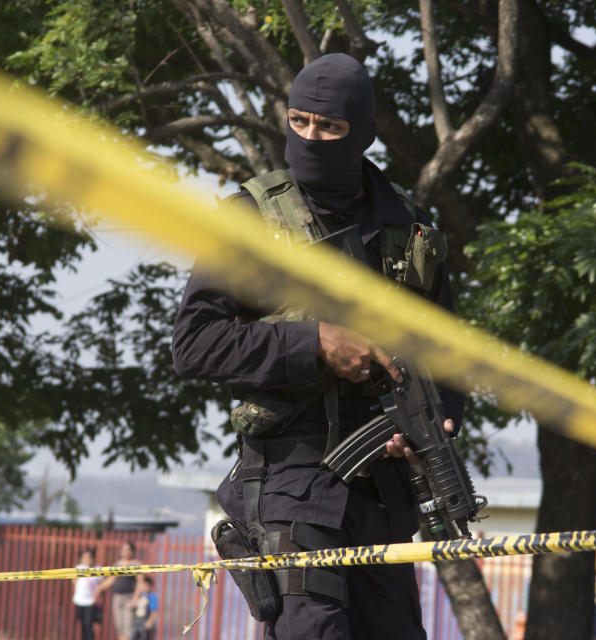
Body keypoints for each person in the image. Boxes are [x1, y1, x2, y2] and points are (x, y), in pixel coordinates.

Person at [172, 52, 464, 639]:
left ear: (363, 133)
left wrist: (440, 424)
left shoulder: (409, 229)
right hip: (290, 487)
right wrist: (315, 343)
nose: (311, 136)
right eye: (299, 121)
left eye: (329, 127)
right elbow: (194, 344)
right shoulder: (252, 216)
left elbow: (446, 354)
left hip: (384, 496)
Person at [96, 541, 139, 640]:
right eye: (123, 549)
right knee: (120, 628)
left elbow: (140, 583)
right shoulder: (117, 564)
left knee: (128, 627)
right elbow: (112, 579)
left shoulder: (135, 564)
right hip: (117, 598)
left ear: (132, 551)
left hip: (129, 597)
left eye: (127, 549)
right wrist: (99, 588)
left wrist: (135, 599)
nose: (125, 551)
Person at [72, 548, 103, 640]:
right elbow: (74, 580)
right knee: (82, 624)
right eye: (85, 557)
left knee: (88, 624)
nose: (87, 559)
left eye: (89, 557)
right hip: (79, 600)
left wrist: (98, 591)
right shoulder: (79, 568)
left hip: (90, 601)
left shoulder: (98, 569)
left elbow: (105, 582)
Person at [128, 575, 159, 640]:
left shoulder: (152, 596)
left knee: (144, 637)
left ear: (150, 586)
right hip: (136, 620)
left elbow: (154, 610)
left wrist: (150, 621)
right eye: (143, 585)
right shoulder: (140, 595)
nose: (143, 587)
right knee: (132, 636)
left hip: (144, 620)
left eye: (145, 585)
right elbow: (134, 605)